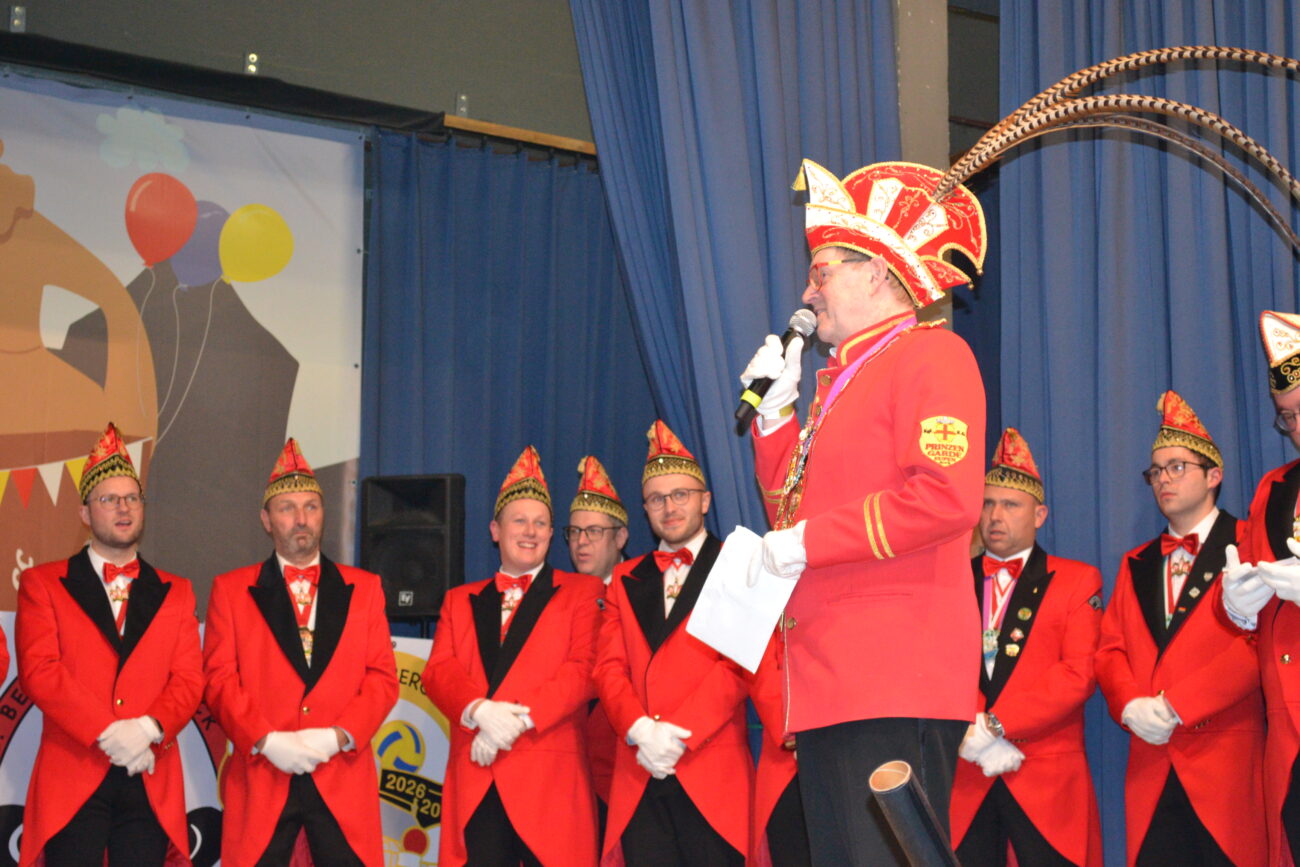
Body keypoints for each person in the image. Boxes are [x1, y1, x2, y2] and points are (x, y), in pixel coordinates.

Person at [745, 158, 987, 864]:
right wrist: (775, 419)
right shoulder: (841, 384)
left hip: (891, 673)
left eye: (820, 272)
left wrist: (809, 542)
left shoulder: (932, 356)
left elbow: (945, 497)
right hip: (830, 679)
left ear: (877, 272)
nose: (807, 291)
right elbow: (791, 512)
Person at [203, 438, 398, 866]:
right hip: (263, 777)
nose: (301, 519)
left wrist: (337, 735)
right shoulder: (231, 591)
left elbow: (383, 679)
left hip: (341, 780)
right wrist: (265, 739)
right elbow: (218, 680)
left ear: (324, 513)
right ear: (266, 520)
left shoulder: (365, 589)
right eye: (287, 508)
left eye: (311, 506)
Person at [16, 422, 201, 866]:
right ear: (84, 513)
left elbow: (189, 679)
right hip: (73, 773)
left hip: (148, 773)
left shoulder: (177, 591)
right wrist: (107, 732)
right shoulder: (44, 584)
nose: (123, 508)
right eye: (109, 499)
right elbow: (41, 671)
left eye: (132, 498)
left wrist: (147, 730)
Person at [1095, 391, 1265, 866]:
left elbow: (1259, 645)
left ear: (1214, 476)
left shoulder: (1250, 545)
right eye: (1156, 471)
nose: (1163, 480)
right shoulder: (1135, 562)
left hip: (1226, 765)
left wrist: (1179, 705)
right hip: (1151, 767)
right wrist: (1129, 704)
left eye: (1176, 467)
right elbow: (1110, 649)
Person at [424, 445, 603, 866]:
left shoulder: (583, 592)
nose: (530, 531)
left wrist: (513, 723)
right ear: (495, 530)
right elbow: (438, 672)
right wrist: (479, 711)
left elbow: (583, 671)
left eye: (541, 523)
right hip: (477, 778)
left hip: (550, 783)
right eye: (519, 520)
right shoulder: (458, 600)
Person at [595, 421, 752, 865]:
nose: (669, 507)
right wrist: (641, 730)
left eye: (680, 494)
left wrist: (681, 734)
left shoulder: (738, 564)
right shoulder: (625, 578)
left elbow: (737, 665)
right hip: (640, 768)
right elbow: (608, 667)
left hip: (711, 770)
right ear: (645, 509)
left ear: (705, 500)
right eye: (657, 499)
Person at [949, 428, 1103, 866]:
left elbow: (1077, 674)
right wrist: (969, 727)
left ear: (1039, 515)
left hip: (1046, 778)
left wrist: (998, 724)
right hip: (967, 777)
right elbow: (934, 665)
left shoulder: (1077, 581)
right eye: (987, 504)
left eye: (1010, 505)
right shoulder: (950, 581)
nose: (995, 516)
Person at [1220, 310, 1300, 865]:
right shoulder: (1274, 489)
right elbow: (1247, 577)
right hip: (1288, 730)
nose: (1296, 428)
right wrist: (1237, 608)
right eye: (1287, 417)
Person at [564, 455, 629, 836]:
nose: (581, 542)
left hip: (623, 763)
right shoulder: (556, 599)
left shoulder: (641, 592)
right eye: (574, 532)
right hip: (567, 770)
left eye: (593, 531)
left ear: (620, 537)